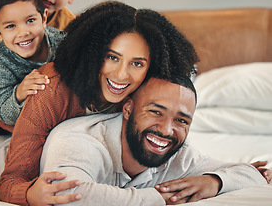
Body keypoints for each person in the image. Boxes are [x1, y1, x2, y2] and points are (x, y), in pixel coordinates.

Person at [0, 0, 197, 205]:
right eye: (112, 57)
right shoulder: (51, 89)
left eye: (137, 63)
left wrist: (214, 180)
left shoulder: (141, 99)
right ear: (92, 54)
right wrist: (27, 193)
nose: (122, 75)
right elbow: (11, 182)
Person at [39, 74, 268, 205]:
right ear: (128, 108)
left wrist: (213, 182)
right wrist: (159, 198)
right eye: (156, 112)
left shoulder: (181, 155)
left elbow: (253, 176)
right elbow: (66, 197)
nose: (167, 130)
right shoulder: (81, 140)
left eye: (181, 120)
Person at [0, 0, 66, 125]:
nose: (23, 32)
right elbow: (5, 114)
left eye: (30, 21)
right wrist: (19, 92)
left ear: (44, 18)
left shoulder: (63, 43)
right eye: (10, 26)